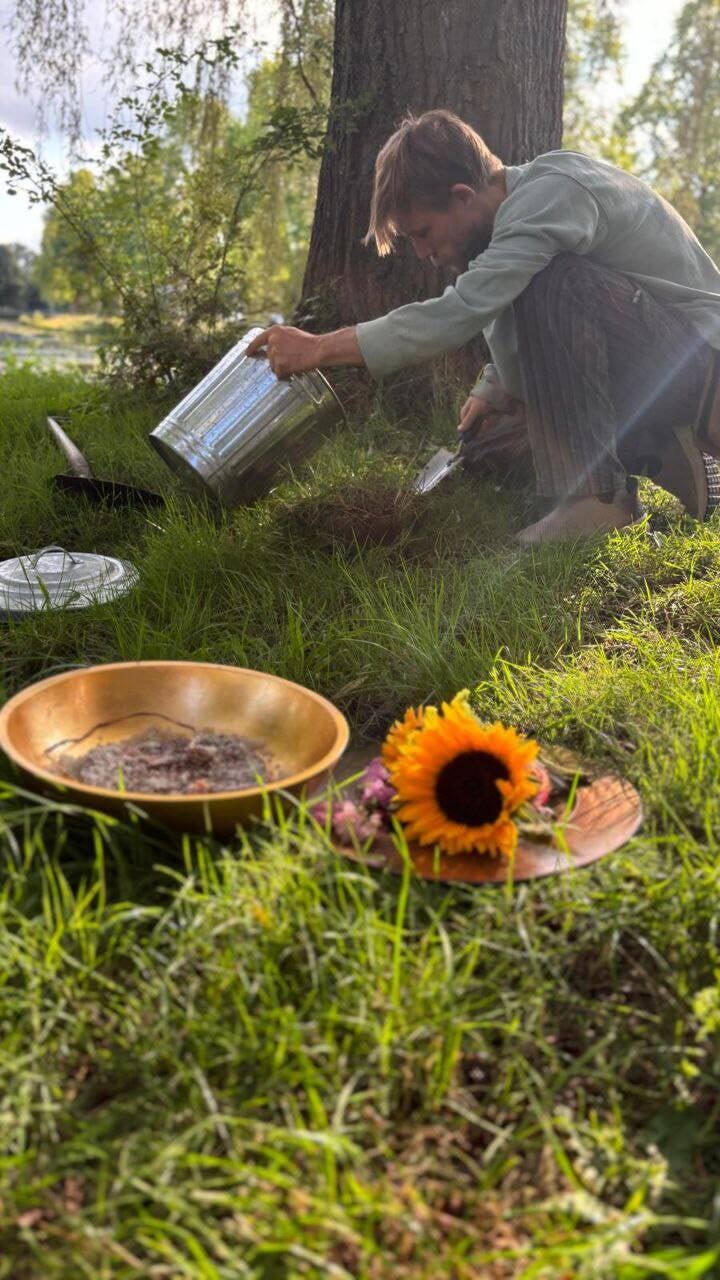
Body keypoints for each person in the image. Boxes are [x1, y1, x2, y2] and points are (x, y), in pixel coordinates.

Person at [247, 109, 720, 544]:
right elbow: (522, 319)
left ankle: (599, 500)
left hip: (698, 361)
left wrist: (318, 348)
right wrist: (495, 386)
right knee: (486, 448)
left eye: (423, 232)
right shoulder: (515, 227)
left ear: (462, 196)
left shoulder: (551, 193)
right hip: (660, 360)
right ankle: (667, 448)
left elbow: (462, 311)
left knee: (562, 282)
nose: (422, 253)